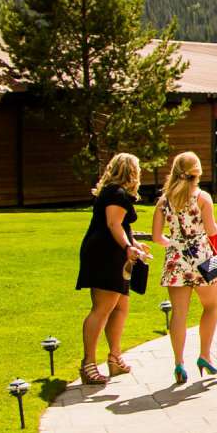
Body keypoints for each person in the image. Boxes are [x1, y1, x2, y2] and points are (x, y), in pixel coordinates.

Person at [154, 151, 217, 387]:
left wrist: (173, 244)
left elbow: (157, 236)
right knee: (211, 306)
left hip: (176, 260)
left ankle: (178, 362)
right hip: (204, 257)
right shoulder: (203, 197)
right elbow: (212, 230)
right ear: (197, 171)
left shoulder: (164, 201)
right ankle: (205, 355)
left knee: (179, 314)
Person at [74, 153, 146, 387]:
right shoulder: (116, 193)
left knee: (121, 306)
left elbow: (122, 225)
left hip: (114, 254)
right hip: (105, 254)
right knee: (102, 308)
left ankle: (115, 357)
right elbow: (113, 224)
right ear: (131, 172)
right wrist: (127, 246)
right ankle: (88, 364)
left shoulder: (117, 193)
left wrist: (134, 245)